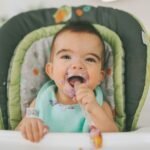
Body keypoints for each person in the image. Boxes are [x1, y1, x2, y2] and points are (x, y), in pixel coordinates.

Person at [17, 21, 118, 142]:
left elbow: (115, 139)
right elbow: (15, 136)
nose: (77, 65)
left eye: (90, 59)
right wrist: (29, 126)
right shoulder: (40, 100)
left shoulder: (99, 105)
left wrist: (94, 109)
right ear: (51, 70)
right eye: (66, 57)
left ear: (100, 77)